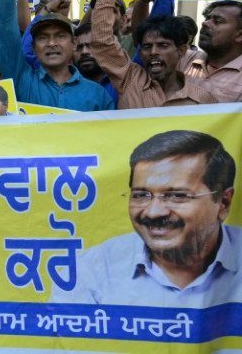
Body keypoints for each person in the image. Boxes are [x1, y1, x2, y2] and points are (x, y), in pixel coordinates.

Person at [51, 130, 240, 307]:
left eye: (176, 196)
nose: (153, 213)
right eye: (141, 195)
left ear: (223, 203)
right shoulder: (89, 270)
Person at [92, 0, 217, 108]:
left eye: (163, 45)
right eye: (147, 46)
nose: (153, 52)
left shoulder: (201, 101)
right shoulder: (129, 79)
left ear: (182, 50)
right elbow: (102, 40)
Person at [186, 0, 242, 102]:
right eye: (207, 18)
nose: (205, 23)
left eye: (218, 21)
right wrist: (146, 2)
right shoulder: (185, 59)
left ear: (239, 35)